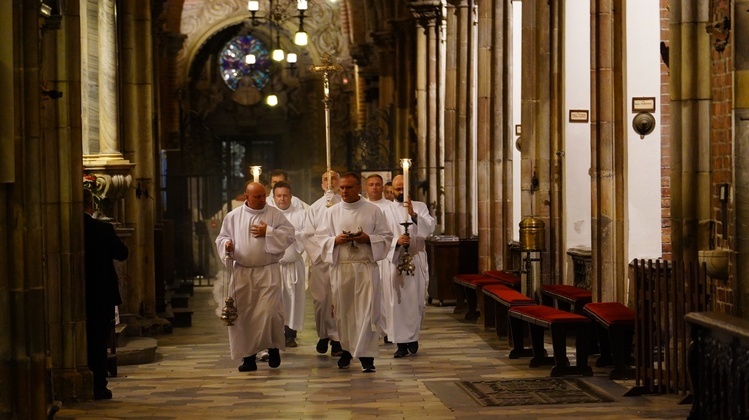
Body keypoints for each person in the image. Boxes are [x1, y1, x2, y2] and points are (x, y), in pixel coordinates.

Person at [315, 172, 394, 373]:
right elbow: (320, 238)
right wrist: (335, 240)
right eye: (341, 188)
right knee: (344, 312)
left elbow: (386, 237)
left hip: (365, 267)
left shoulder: (373, 210)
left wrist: (368, 238)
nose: (343, 191)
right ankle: (347, 351)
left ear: (358, 188)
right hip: (342, 267)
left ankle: (367, 356)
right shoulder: (331, 213)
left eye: (348, 188)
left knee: (367, 313)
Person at [215, 181, 296, 372]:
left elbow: (289, 236)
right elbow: (222, 238)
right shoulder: (233, 217)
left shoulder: (274, 214)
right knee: (244, 317)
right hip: (242, 272)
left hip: (268, 271)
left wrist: (268, 232)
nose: (262, 200)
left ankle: (273, 347)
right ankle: (248, 358)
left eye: (263, 195)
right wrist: (227, 245)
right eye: (257, 196)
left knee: (270, 313)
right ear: (246, 197)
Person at [83, 189, 129, 400]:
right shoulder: (102, 229)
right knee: (98, 340)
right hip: (100, 294)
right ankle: (98, 386)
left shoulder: (63, 229)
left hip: (73, 296)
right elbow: (122, 253)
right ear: (91, 205)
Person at [384, 175, 435, 358]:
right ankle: (401, 344)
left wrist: (414, 215)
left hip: (415, 257)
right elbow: (382, 237)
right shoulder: (386, 211)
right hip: (396, 260)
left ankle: (413, 337)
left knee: (417, 301)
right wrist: (396, 242)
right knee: (397, 303)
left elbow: (429, 228)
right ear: (391, 191)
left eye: (403, 189)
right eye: (397, 189)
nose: (400, 192)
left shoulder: (420, 206)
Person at [302, 170, 343, 356]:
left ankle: (337, 340)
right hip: (321, 261)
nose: (329, 182)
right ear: (321, 185)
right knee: (321, 301)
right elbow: (307, 234)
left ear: (339, 182)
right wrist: (322, 253)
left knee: (338, 300)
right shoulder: (314, 208)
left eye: (333, 178)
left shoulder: (346, 205)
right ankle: (323, 335)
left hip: (342, 260)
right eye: (325, 179)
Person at [364, 174, 399, 344]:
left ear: (383, 187)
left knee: (385, 296)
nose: (374, 187)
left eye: (378, 184)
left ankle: (386, 331)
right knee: (368, 296)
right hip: (366, 257)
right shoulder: (361, 206)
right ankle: (371, 331)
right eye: (371, 184)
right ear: (366, 187)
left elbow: (391, 232)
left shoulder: (390, 207)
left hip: (384, 257)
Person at [273, 181, 307, 347]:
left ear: (291, 197)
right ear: (273, 197)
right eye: (279, 195)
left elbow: (307, 235)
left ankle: (290, 334)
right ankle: (276, 333)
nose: (282, 199)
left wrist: (287, 235)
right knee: (276, 300)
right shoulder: (270, 215)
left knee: (293, 300)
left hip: (293, 265)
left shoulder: (300, 214)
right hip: (275, 266)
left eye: (285, 195)